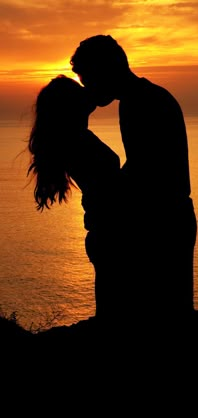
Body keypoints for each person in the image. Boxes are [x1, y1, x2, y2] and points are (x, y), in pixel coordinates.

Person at [70, 35, 197, 322]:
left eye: (88, 78)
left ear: (104, 70)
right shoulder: (147, 96)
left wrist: (105, 199)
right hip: (171, 216)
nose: (86, 86)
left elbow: (144, 170)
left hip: (163, 222)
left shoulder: (137, 103)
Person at [27, 75, 126, 323]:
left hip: (104, 231)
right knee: (116, 313)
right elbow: (109, 185)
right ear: (71, 107)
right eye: (79, 91)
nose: (86, 92)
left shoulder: (75, 137)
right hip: (110, 233)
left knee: (114, 309)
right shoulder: (77, 140)